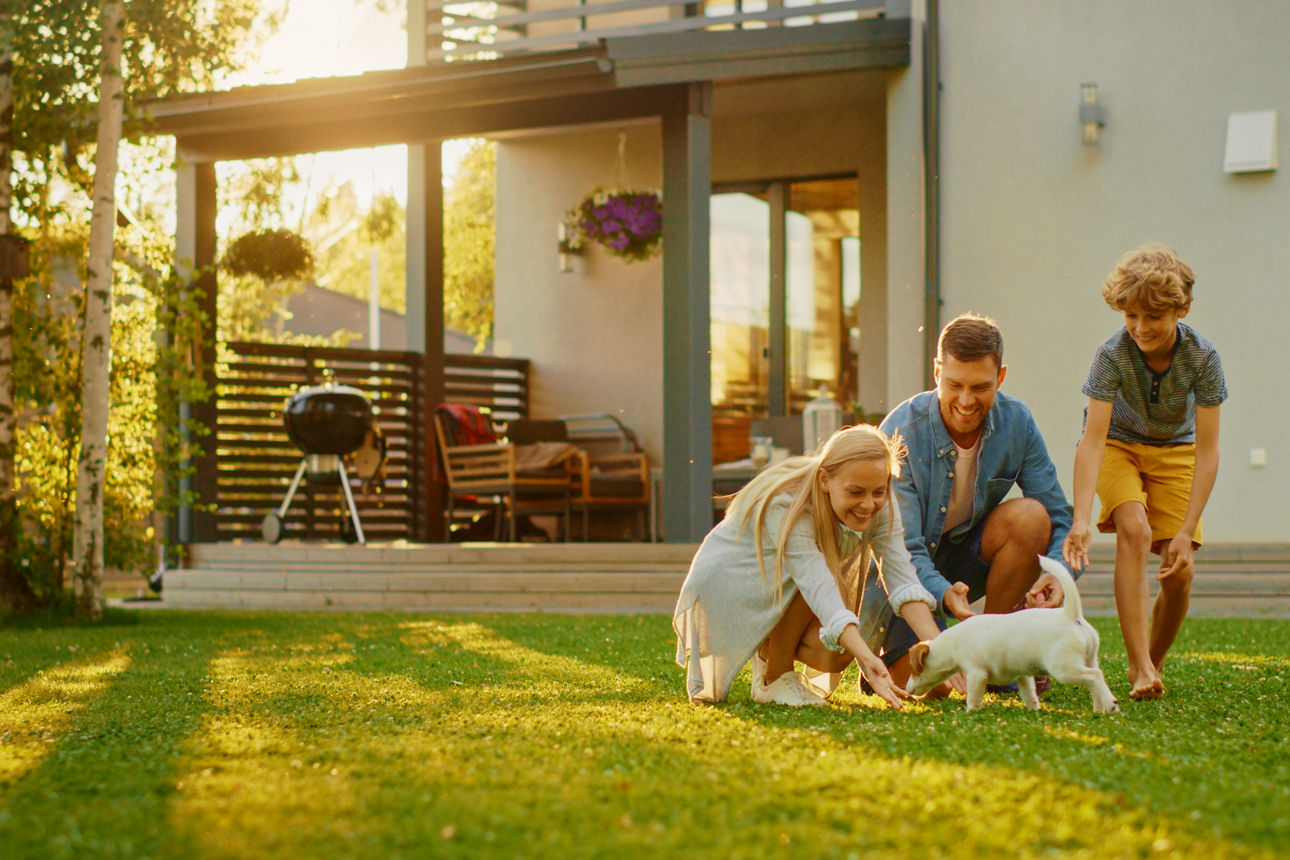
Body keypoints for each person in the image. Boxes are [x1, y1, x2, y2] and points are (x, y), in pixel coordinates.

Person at [672, 425, 944, 708]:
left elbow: (902, 581)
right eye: (855, 492)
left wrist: (945, 653)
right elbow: (817, 585)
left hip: (784, 583)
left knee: (834, 654)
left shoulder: (880, 502)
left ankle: (768, 655)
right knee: (823, 595)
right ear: (825, 480)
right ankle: (773, 678)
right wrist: (868, 658)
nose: (868, 504)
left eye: (879, 490)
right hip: (732, 583)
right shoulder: (789, 505)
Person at [1062, 245, 1226, 701]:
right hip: (1118, 446)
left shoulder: (1203, 357)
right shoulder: (1112, 354)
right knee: (1134, 528)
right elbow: (1092, 440)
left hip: (1177, 450)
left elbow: (1209, 449)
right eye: (1130, 315)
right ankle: (1137, 665)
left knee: (1178, 572)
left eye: (1152, 317)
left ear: (1182, 308)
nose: (1139, 328)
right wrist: (1080, 519)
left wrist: (1188, 528)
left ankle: (1152, 663)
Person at [878, 314, 1075, 690]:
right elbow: (902, 550)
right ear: (936, 372)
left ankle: (997, 654)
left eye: (981, 387)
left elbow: (1056, 513)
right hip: (904, 572)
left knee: (1031, 517)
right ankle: (888, 666)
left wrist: (1060, 572)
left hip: (966, 558)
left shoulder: (1017, 422)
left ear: (1000, 378)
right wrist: (942, 593)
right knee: (935, 684)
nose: (966, 401)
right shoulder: (899, 432)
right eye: (954, 385)